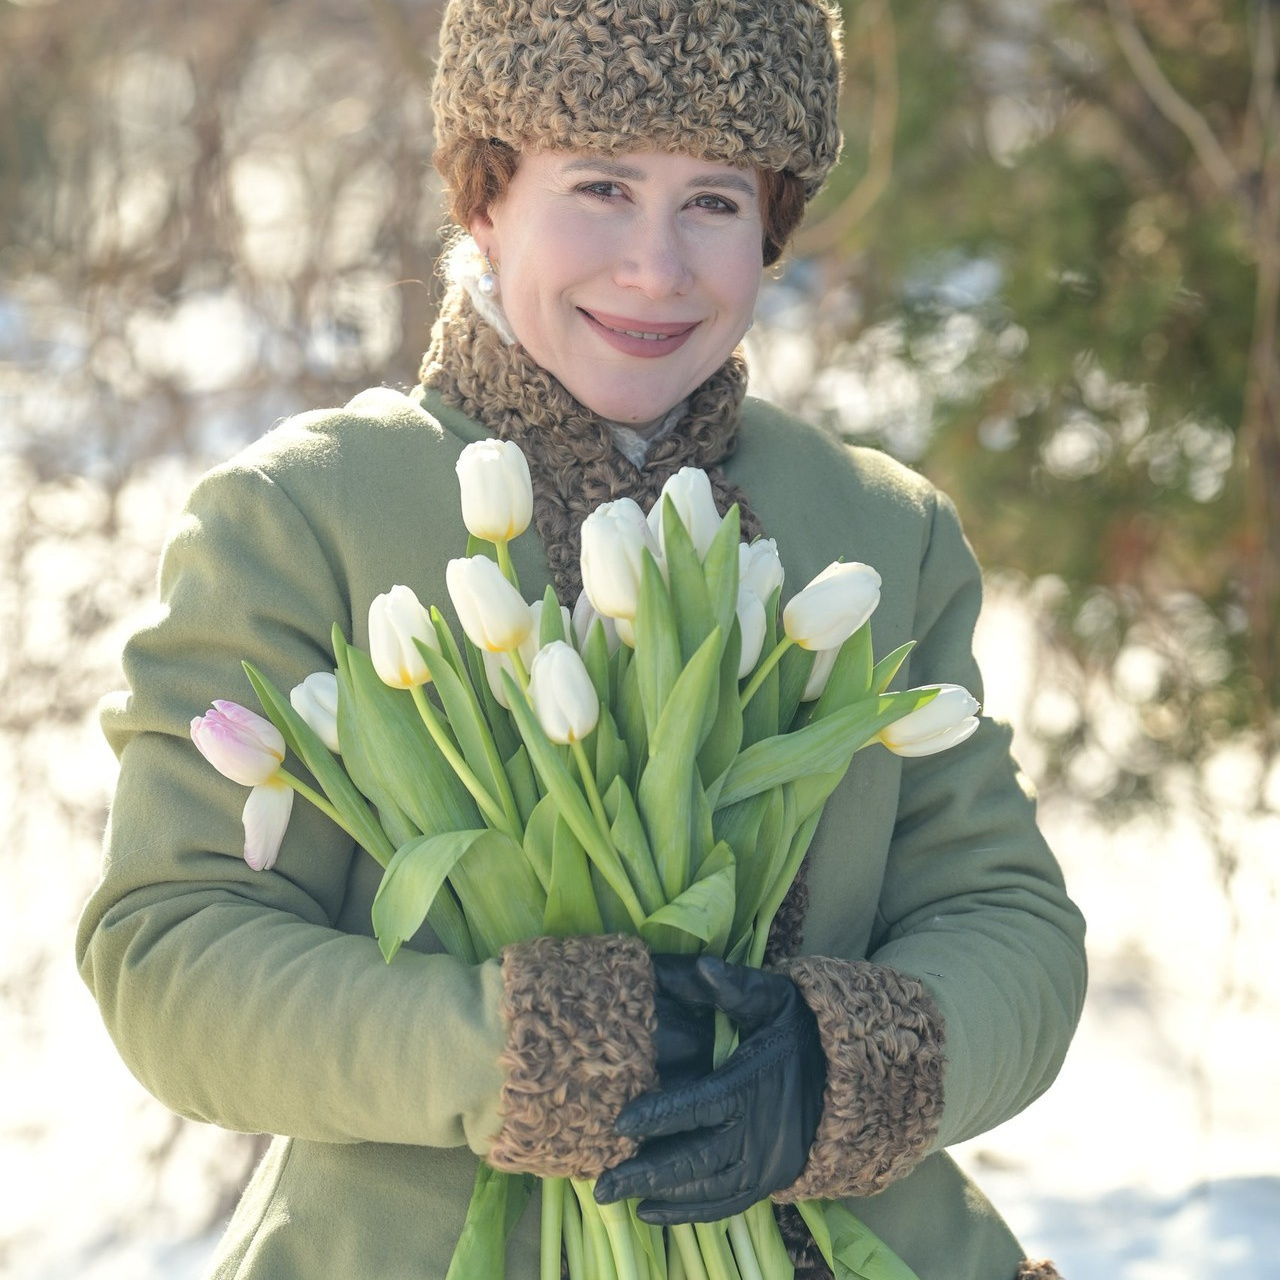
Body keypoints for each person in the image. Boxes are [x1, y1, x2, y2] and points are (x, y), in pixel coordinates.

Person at [75, 1, 1087, 1277]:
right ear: (485, 197)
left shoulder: (879, 530)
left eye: (713, 201)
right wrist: (514, 1048)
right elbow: (171, 950)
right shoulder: (304, 517)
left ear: (770, 225)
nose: (655, 269)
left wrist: (847, 1061)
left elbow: (1005, 917)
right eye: (600, 185)